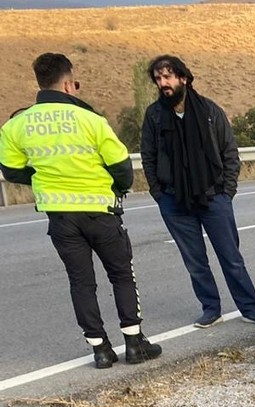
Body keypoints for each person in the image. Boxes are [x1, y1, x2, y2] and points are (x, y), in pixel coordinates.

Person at [0, 53, 162, 368]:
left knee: (81, 282)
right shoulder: (90, 120)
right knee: (121, 275)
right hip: (100, 210)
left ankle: (100, 350)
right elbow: (121, 167)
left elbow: (11, 170)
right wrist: (118, 188)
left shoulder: (16, 125)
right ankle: (134, 344)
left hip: (60, 216)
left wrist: (44, 177)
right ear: (68, 84)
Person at [140, 55, 255, 329]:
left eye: (167, 77)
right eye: (158, 79)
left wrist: (227, 192)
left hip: (214, 197)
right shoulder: (154, 115)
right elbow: (148, 156)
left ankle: (250, 308)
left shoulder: (210, 111)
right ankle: (211, 309)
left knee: (231, 258)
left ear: (183, 78)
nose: (162, 83)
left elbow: (229, 152)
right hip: (174, 200)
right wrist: (158, 193)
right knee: (195, 262)